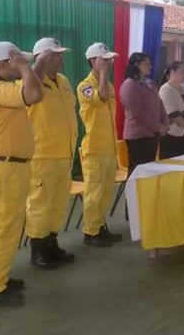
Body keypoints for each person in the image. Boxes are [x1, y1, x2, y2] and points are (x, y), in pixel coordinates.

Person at [0, 42, 44, 306]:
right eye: (16, 62)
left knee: (8, 229)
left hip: (7, 169)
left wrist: (25, 69)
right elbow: (35, 95)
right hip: (0, 169)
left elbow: (34, 91)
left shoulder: (1, 88)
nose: (20, 67)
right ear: (4, 65)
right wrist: (27, 68)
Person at [24, 38, 77, 269]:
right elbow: (27, 97)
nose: (60, 58)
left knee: (58, 203)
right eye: (55, 55)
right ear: (41, 57)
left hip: (65, 152)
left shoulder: (63, 81)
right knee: (40, 204)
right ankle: (38, 250)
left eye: (60, 54)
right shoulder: (31, 82)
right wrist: (37, 67)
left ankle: (52, 243)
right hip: (42, 154)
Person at [78, 43, 123, 248]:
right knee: (93, 192)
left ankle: (100, 226)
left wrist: (104, 75)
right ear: (93, 61)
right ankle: (90, 231)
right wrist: (103, 74)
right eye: (104, 60)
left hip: (109, 147)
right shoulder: (84, 86)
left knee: (105, 192)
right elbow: (101, 96)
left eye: (109, 60)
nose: (109, 63)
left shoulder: (109, 84)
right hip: (94, 148)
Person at [120, 52, 167, 175]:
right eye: (146, 64)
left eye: (150, 64)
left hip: (152, 135)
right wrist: (158, 127)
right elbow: (138, 113)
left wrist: (165, 123)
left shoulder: (150, 83)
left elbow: (159, 103)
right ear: (136, 65)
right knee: (138, 171)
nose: (150, 66)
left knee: (148, 170)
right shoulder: (129, 85)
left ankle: (145, 193)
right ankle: (134, 194)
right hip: (138, 137)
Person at [159, 61, 184, 159]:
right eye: (181, 71)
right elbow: (173, 114)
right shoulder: (165, 89)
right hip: (171, 133)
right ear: (172, 72)